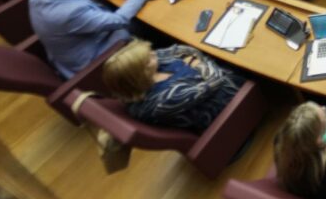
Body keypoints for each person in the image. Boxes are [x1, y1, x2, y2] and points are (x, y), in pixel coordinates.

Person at [29, 0, 161, 78]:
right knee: (145, 25)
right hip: (93, 58)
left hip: (77, 38)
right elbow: (119, 20)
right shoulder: (67, 14)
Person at [102, 39, 242, 132]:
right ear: (141, 74)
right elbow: (216, 80)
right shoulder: (165, 100)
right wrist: (198, 62)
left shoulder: (150, 68)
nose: (153, 53)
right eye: (148, 58)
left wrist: (197, 63)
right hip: (231, 105)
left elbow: (184, 50)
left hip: (218, 74)